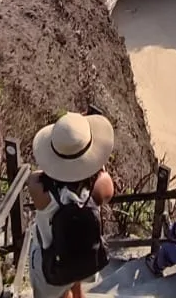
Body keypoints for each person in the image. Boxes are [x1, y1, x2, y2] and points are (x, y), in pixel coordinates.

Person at [27, 112, 117, 298]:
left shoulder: (39, 189)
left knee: (55, 274)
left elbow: (36, 174)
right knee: (74, 275)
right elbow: (102, 170)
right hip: (86, 261)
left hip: (52, 263)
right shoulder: (101, 187)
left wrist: (58, 161)